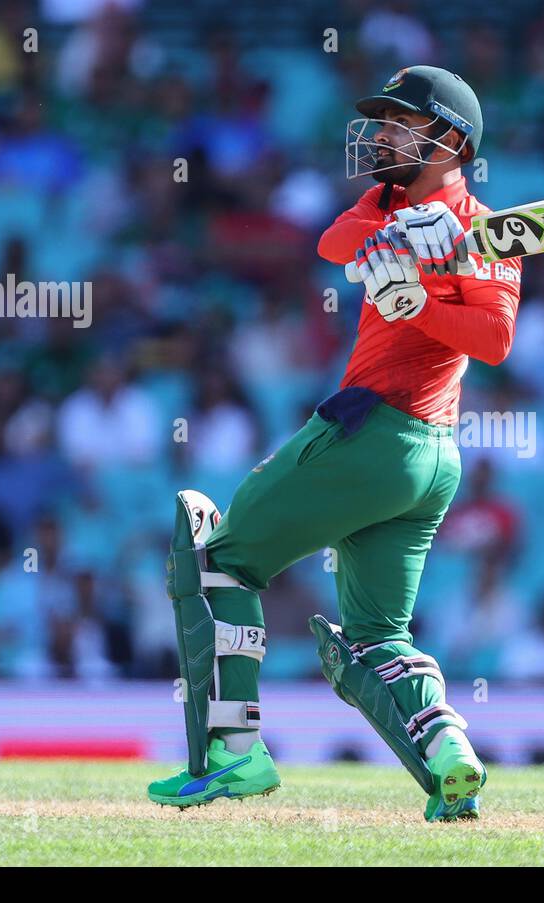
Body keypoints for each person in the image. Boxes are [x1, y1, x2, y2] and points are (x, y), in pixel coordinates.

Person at [148, 66, 520, 822]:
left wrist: (419, 303)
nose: (381, 134)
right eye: (380, 121)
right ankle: (450, 756)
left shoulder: (485, 233)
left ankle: (234, 755)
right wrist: (396, 237)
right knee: (377, 632)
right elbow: (331, 240)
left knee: (221, 561)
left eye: (399, 122)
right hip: (427, 460)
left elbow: (495, 339)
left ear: (449, 140)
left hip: (376, 435)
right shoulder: (385, 201)